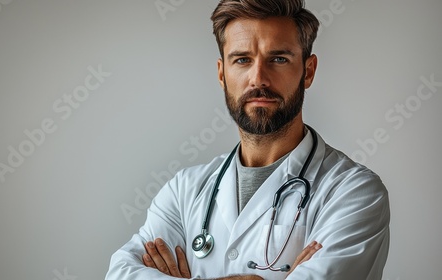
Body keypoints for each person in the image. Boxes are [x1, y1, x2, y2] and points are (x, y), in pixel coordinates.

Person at [105, 0, 390, 279]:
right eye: (242, 60)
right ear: (222, 74)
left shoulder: (353, 192)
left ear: (308, 71)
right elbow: (119, 273)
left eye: (278, 59)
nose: (258, 79)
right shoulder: (184, 192)